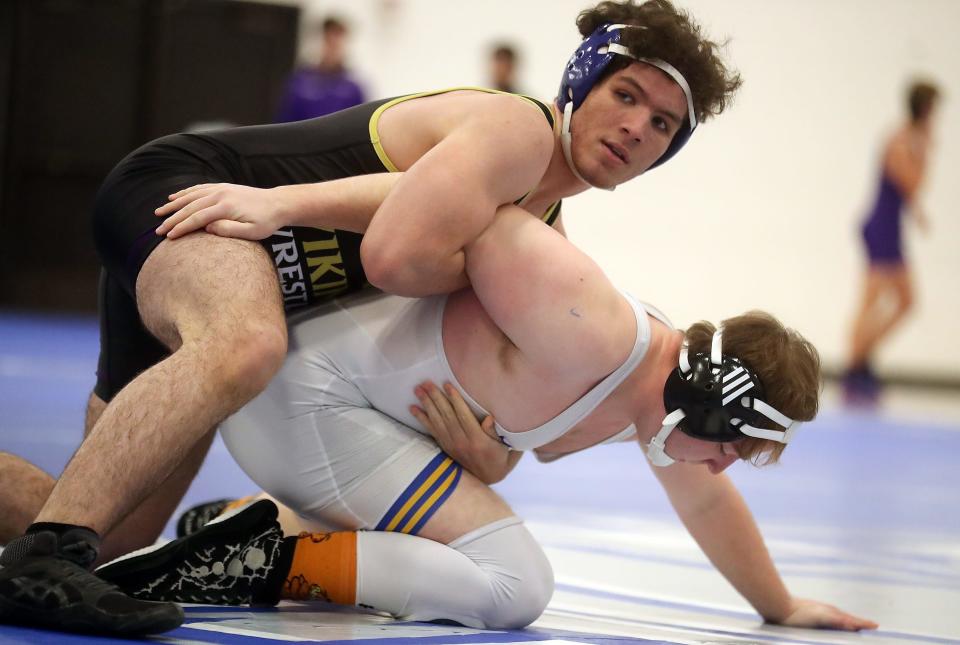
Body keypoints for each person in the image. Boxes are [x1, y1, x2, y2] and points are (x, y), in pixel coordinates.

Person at [0, 0, 742, 636]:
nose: (639, 127)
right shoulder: (520, 132)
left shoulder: (540, 236)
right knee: (250, 343)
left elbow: (500, 410)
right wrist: (278, 205)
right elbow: (393, 257)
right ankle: (42, 562)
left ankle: (52, 544)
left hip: (219, 260)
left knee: (115, 531)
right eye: (627, 96)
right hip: (199, 202)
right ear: (582, 81)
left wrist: (489, 451)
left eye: (663, 124)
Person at [97, 201, 877, 633]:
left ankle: (250, 521)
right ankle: (250, 559)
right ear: (710, 399)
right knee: (513, 584)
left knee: (467, 527)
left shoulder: (652, 396)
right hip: (305, 395)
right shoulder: (595, 327)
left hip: (331, 407)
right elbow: (477, 214)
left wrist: (779, 606)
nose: (728, 463)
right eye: (738, 443)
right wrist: (282, 207)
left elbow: (706, 497)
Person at [843, 80, 940, 404]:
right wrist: (927, 153)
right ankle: (855, 365)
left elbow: (909, 193)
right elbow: (911, 182)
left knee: (906, 301)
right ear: (925, 109)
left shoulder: (909, 140)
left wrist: (919, 214)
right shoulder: (901, 140)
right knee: (870, 302)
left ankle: (863, 357)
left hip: (891, 229)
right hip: (881, 228)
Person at [275, 16, 366, 122]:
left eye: (337, 44)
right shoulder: (299, 83)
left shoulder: (352, 90)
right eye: (329, 42)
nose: (332, 50)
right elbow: (283, 123)